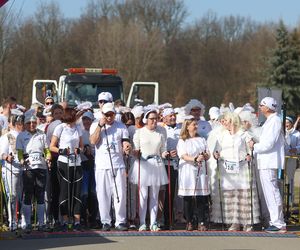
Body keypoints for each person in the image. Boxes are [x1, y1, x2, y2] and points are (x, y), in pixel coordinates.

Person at [213, 112, 260, 231]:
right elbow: (216, 150)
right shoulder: (221, 135)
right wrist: (216, 154)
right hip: (227, 169)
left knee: (243, 195)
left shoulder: (244, 134)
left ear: (232, 121)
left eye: (225, 120)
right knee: (231, 195)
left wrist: (249, 155)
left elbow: (251, 150)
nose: (223, 123)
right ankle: (234, 222)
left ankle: (247, 222)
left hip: (242, 167)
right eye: (222, 121)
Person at [90, 102, 131, 231]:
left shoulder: (121, 126)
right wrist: (99, 126)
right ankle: (105, 221)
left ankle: (120, 221)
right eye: (107, 115)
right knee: (103, 194)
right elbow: (92, 141)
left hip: (118, 165)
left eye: (111, 114)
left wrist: (126, 147)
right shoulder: (95, 125)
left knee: (120, 193)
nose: (109, 117)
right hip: (102, 166)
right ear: (102, 114)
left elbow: (125, 141)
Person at [249, 97, 286, 233]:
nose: (259, 107)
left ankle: (279, 223)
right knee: (269, 192)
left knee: (272, 192)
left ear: (268, 107)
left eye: (261, 105)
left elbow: (268, 143)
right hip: (265, 161)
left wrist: (254, 146)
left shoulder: (274, 121)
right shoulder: (271, 121)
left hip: (269, 161)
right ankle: (275, 221)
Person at [130, 109, 169, 232]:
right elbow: (135, 150)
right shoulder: (139, 132)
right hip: (143, 164)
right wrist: (135, 152)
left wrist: (166, 154)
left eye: (156, 118)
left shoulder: (161, 131)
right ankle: (142, 222)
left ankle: (153, 222)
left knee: (154, 195)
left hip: (156, 164)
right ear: (146, 120)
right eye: (152, 118)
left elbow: (163, 149)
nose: (154, 121)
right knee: (143, 195)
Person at [16, 111, 51, 233]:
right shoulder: (21, 136)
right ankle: (27, 222)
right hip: (28, 168)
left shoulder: (42, 134)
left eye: (33, 122)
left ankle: (41, 223)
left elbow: (47, 150)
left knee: (40, 194)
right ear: (25, 124)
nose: (32, 124)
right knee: (28, 194)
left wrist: (48, 157)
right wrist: (21, 159)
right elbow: (19, 151)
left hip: (41, 167)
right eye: (29, 123)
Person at [50, 107, 84, 232]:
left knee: (76, 192)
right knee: (64, 192)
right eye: (75, 115)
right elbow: (51, 147)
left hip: (76, 162)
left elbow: (81, 146)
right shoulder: (60, 127)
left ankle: (76, 221)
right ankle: (64, 220)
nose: (76, 117)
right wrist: (62, 151)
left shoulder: (78, 128)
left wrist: (79, 150)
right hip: (64, 162)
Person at [177, 117, 210, 231]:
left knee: (201, 197)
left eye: (196, 124)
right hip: (187, 170)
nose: (196, 127)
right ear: (187, 126)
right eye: (193, 125)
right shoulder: (182, 140)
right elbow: (183, 155)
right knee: (188, 197)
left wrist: (204, 156)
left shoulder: (201, 139)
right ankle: (189, 221)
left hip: (200, 170)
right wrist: (194, 158)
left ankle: (201, 221)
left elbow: (207, 153)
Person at [0, 112, 24, 231]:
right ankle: (12, 221)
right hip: (11, 170)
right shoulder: (6, 136)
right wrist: (6, 157)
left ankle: (22, 220)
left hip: (24, 169)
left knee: (22, 196)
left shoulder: (24, 135)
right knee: (12, 196)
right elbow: (1, 153)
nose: (18, 124)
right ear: (10, 123)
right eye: (15, 122)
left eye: (20, 122)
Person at [160, 107, 181, 230]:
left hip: (181, 163)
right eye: (170, 116)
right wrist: (166, 153)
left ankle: (182, 217)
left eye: (174, 115)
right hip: (167, 164)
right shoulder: (162, 129)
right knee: (168, 193)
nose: (173, 117)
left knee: (181, 193)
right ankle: (167, 220)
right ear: (164, 117)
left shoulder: (181, 128)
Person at [80, 111, 98, 228]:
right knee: (84, 193)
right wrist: (85, 148)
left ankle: (93, 218)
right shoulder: (80, 132)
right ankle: (83, 218)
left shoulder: (96, 132)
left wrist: (92, 152)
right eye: (84, 119)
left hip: (95, 166)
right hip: (83, 165)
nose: (86, 122)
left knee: (93, 193)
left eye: (89, 120)